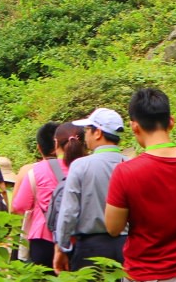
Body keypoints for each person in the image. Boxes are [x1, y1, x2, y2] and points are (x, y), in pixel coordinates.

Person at [105, 88, 176, 282]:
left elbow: (113, 228)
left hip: (143, 275)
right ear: (171, 122)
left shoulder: (125, 172)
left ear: (134, 127)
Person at [52, 108, 127, 274]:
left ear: (98, 133)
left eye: (87, 130)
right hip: (127, 248)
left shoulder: (81, 165)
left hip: (90, 249)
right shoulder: (131, 164)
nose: (85, 135)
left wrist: (62, 247)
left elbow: (69, 211)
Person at [13, 122, 84, 273]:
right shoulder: (87, 167)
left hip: (43, 239)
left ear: (55, 143)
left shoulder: (36, 170)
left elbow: (18, 207)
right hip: (80, 239)